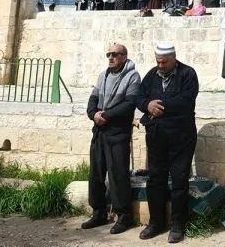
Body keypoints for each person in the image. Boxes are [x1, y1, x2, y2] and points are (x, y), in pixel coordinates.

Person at [136, 43, 198, 243]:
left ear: (174, 58)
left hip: (181, 138)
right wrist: (147, 105)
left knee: (179, 181)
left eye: (164, 62)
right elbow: (139, 97)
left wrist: (158, 106)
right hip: (156, 137)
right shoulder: (151, 75)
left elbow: (186, 101)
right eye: (158, 62)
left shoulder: (188, 74)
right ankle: (156, 222)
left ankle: (177, 224)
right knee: (155, 180)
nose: (160, 66)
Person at [82, 42, 140, 233]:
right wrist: (93, 114)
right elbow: (93, 99)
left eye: (115, 54)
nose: (111, 57)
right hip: (100, 131)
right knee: (96, 174)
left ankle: (124, 216)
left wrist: (106, 115)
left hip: (118, 132)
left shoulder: (132, 76)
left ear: (124, 56)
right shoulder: (103, 75)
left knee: (118, 175)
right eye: (108, 54)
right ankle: (99, 213)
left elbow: (129, 104)